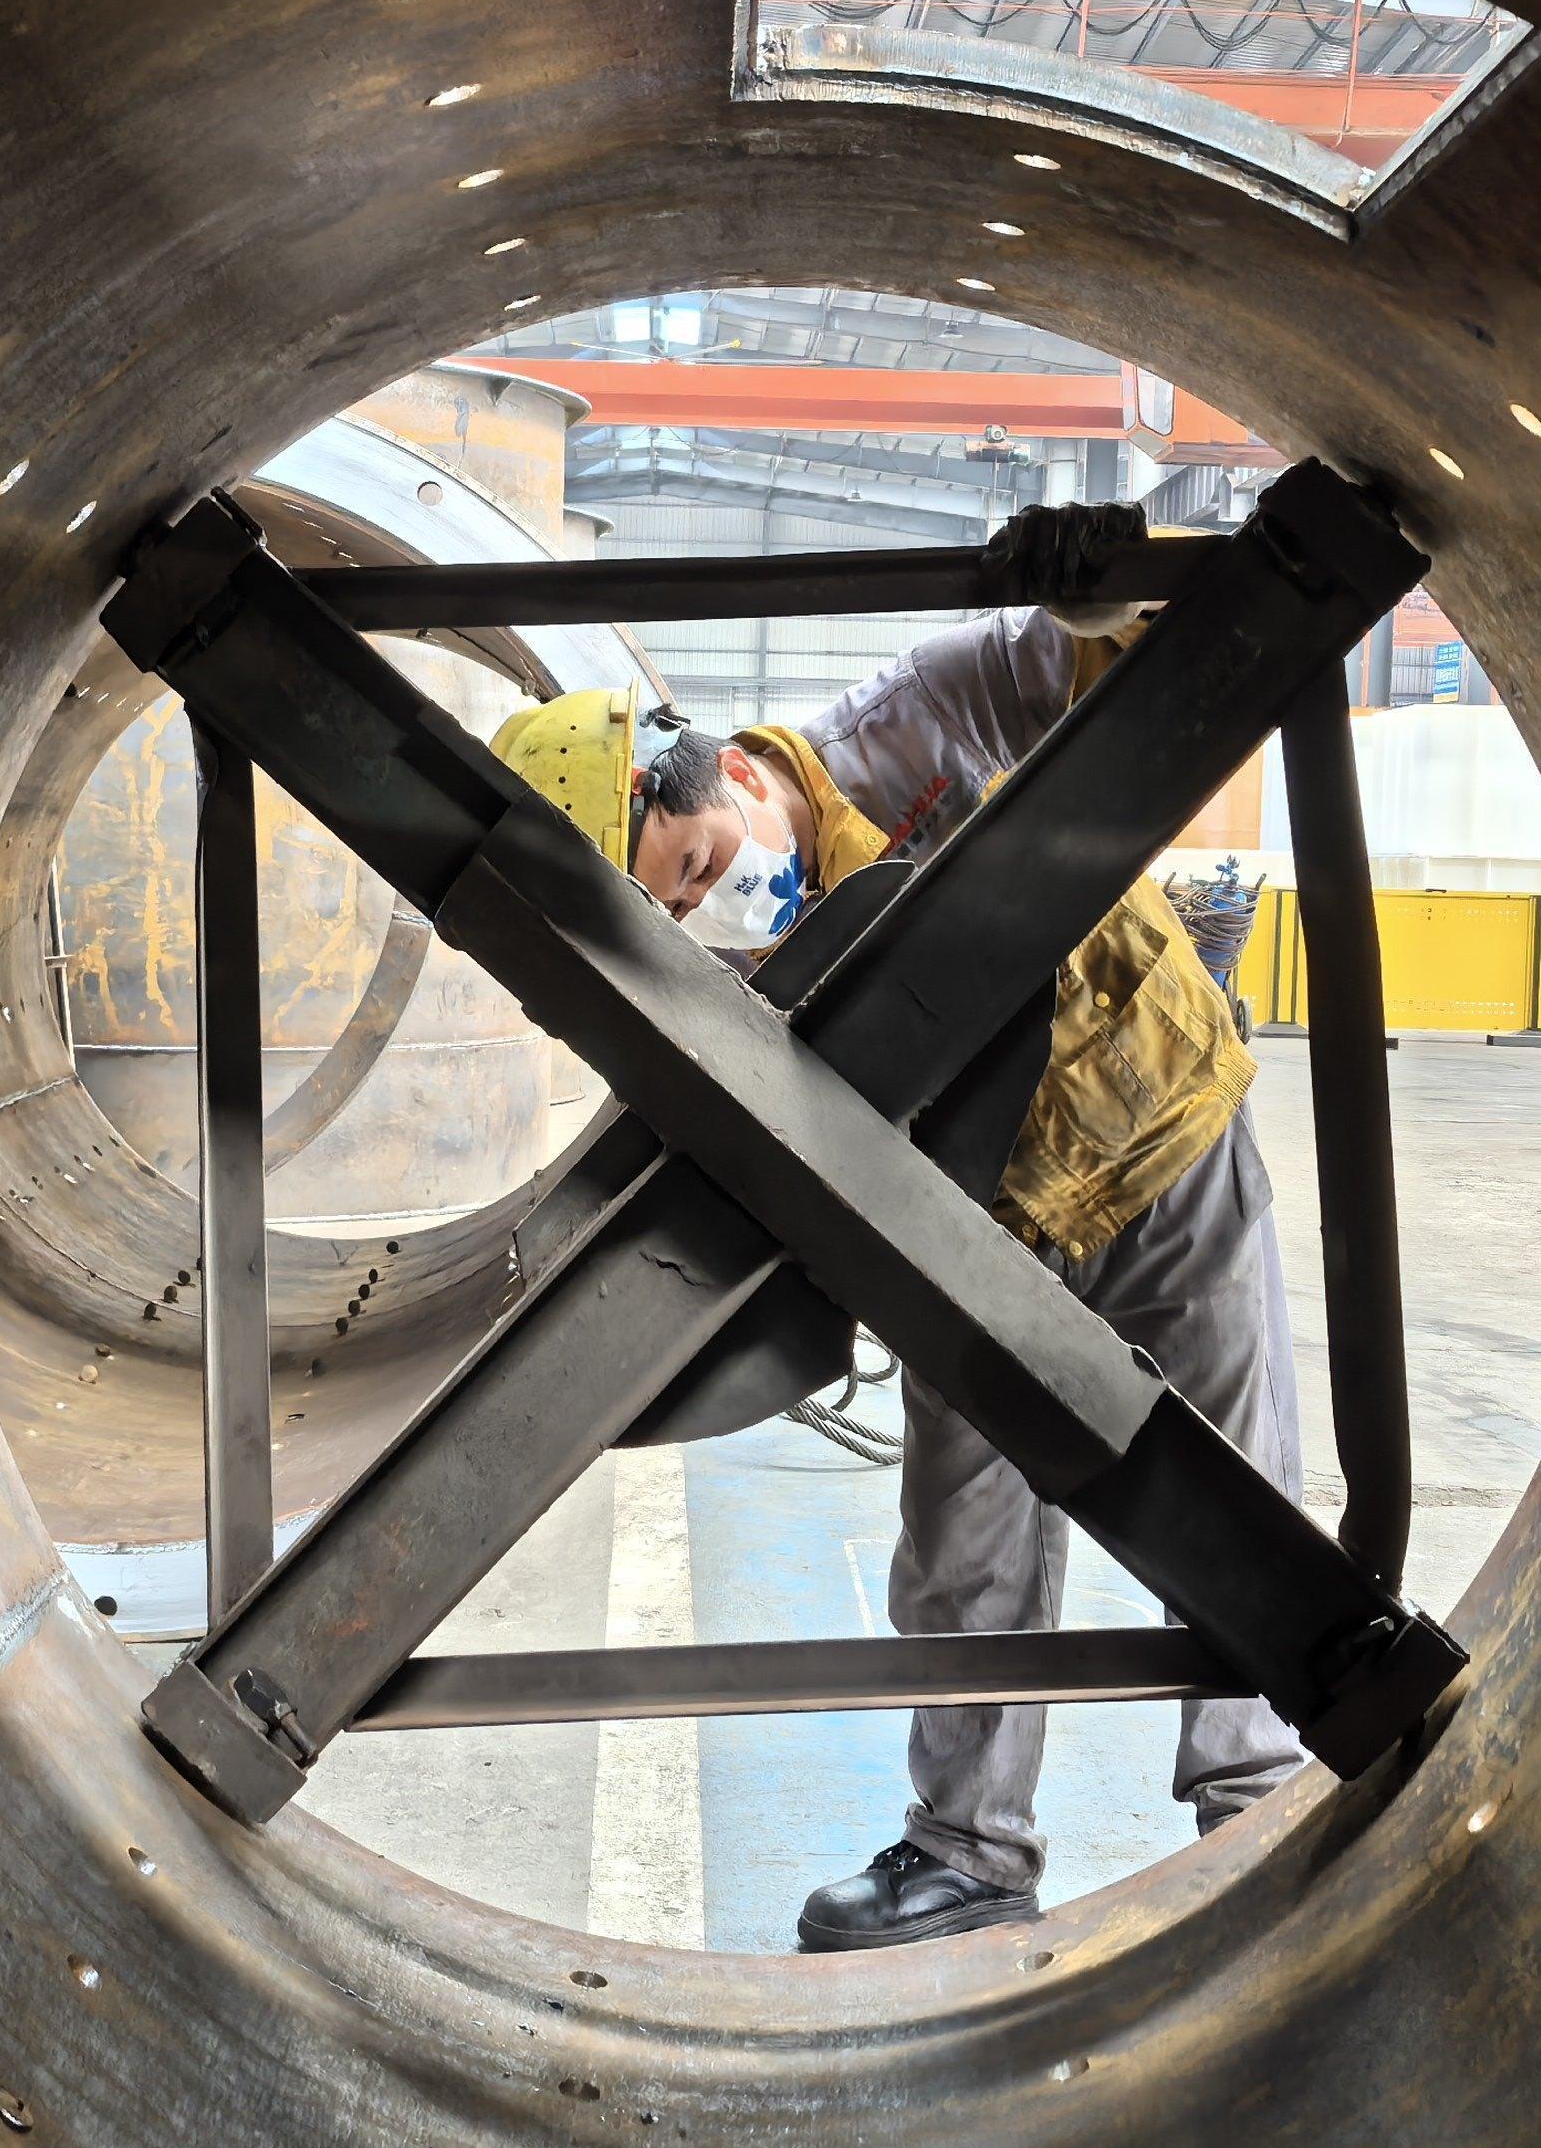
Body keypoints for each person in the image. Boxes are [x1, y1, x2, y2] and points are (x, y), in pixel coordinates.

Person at [486, 550, 1306, 1951]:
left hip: (1157, 1141)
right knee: (963, 1553)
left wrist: (1104, 599)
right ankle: (969, 1854)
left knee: (1234, 1502)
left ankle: (1262, 1811)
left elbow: (1104, 669)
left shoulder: (915, 718)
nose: (707, 914)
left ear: (720, 771)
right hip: (963, 1234)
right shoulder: (706, 974)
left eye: (695, 868)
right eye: (671, 915)